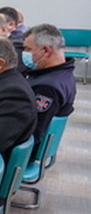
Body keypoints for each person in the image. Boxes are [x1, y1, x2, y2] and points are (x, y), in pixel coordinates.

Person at [22, 24, 77, 156]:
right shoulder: (63, 75)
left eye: (28, 49)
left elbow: (33, 133)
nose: (24, 53)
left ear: (46, 51)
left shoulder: (47, 88)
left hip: (25, 153)